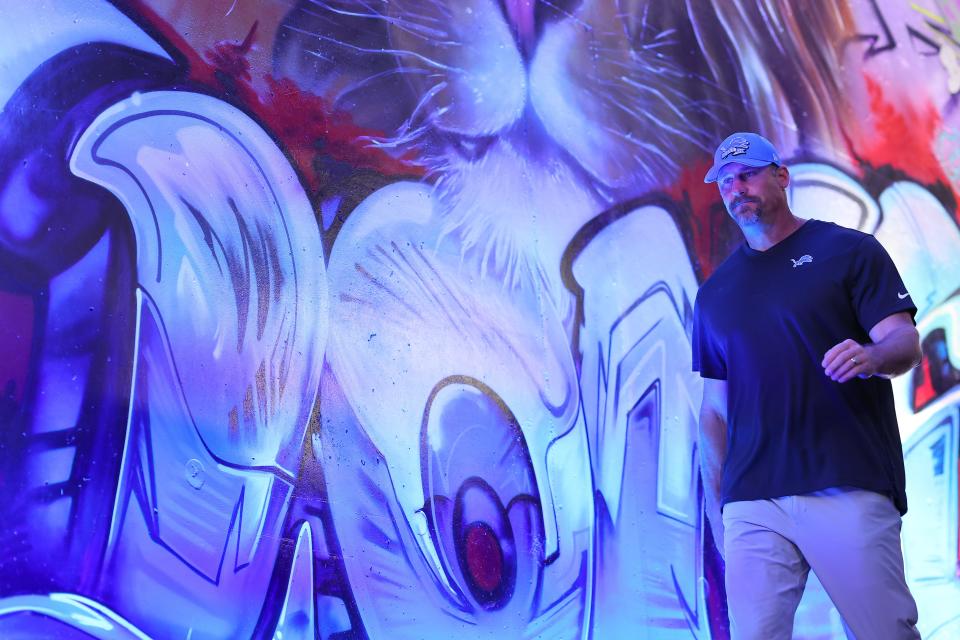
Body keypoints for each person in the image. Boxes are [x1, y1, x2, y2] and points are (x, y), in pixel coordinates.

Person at [692, 132, 923, 639]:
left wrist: (871, 355)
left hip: (845, 481)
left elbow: (904, 343)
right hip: (752, 502)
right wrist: (720, 508)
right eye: (726, 181)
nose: (736, 188)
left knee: (886, 632)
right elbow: (714, 412)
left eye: (748, 174)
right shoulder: (714, 296)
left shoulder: (849, 252)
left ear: (781, 175)